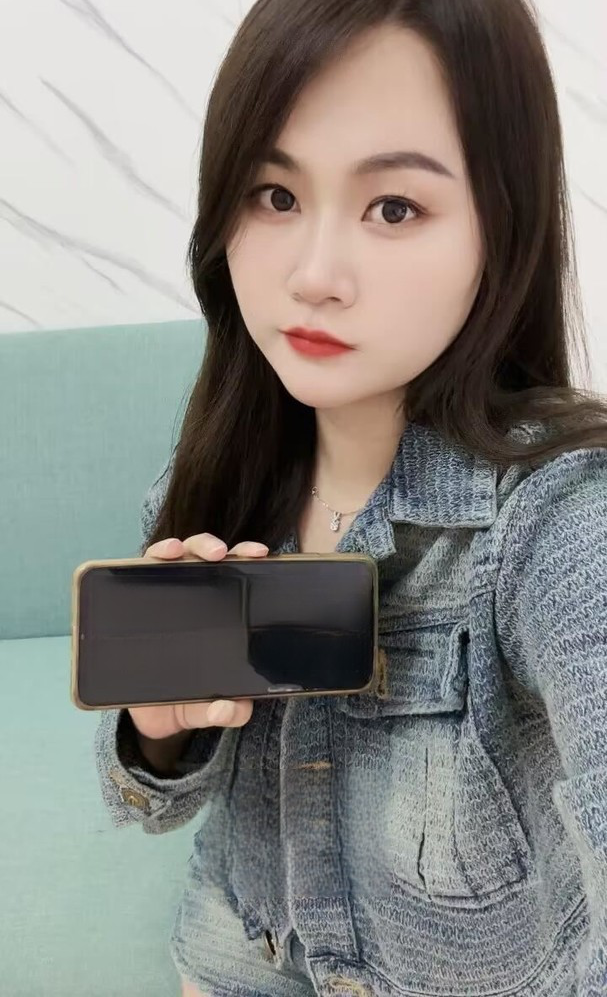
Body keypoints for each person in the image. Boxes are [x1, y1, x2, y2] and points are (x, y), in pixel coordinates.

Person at [95, 1, 607, 995]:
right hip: (235, 957)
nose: (313, 275)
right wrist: (162, 726)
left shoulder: (557, 513)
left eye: (394, 208)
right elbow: (153, 802)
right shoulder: (212, 478)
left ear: (499, 226)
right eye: (275, 195)